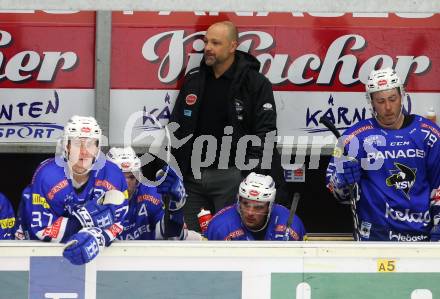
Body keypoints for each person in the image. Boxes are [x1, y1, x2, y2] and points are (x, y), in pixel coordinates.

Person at [170, 20, 277, 231]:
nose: (208, 47)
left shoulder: (255, 83)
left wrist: (247, 172)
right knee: (188, 240)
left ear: (232, 46)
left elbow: (266, 133)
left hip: (231, 177)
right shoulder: (193, 80)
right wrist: (179, 170)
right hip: (192, 178)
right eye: (206, 42)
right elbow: (176, 128)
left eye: (216, 43)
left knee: (230, 238)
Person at [326, 68, 440, 241]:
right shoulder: (354, 137)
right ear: (371, 102)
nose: (388, 107)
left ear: (402, 96)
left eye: (392, 99)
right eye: (380, 101)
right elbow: (336, 192)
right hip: (373, 237)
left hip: (420, 237)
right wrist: (342, 180)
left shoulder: (429, 133)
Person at [21, 115, 129, 264]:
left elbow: (120, 219)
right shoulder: (47, 176)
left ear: (98, 148)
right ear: (67, 146)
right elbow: (41, 228)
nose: (84, 152)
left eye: (90, 144)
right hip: (42, 256)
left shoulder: (113, 175)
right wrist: (81, 224)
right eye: (78, 144)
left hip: (99, 260)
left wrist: (99, 237)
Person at [106, 147, 186, 240]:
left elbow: (173, 237)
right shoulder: (94, 195)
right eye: (119, 177)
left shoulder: (150, 194)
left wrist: (176, 208)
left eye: (131, 177)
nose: (126, 185)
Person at [205, 172, 306, 241]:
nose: (250, 212)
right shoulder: (219, 226)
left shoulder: (292, 225)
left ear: (270, 206)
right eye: (245, 204)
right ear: (239, 200)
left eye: (258, 207)